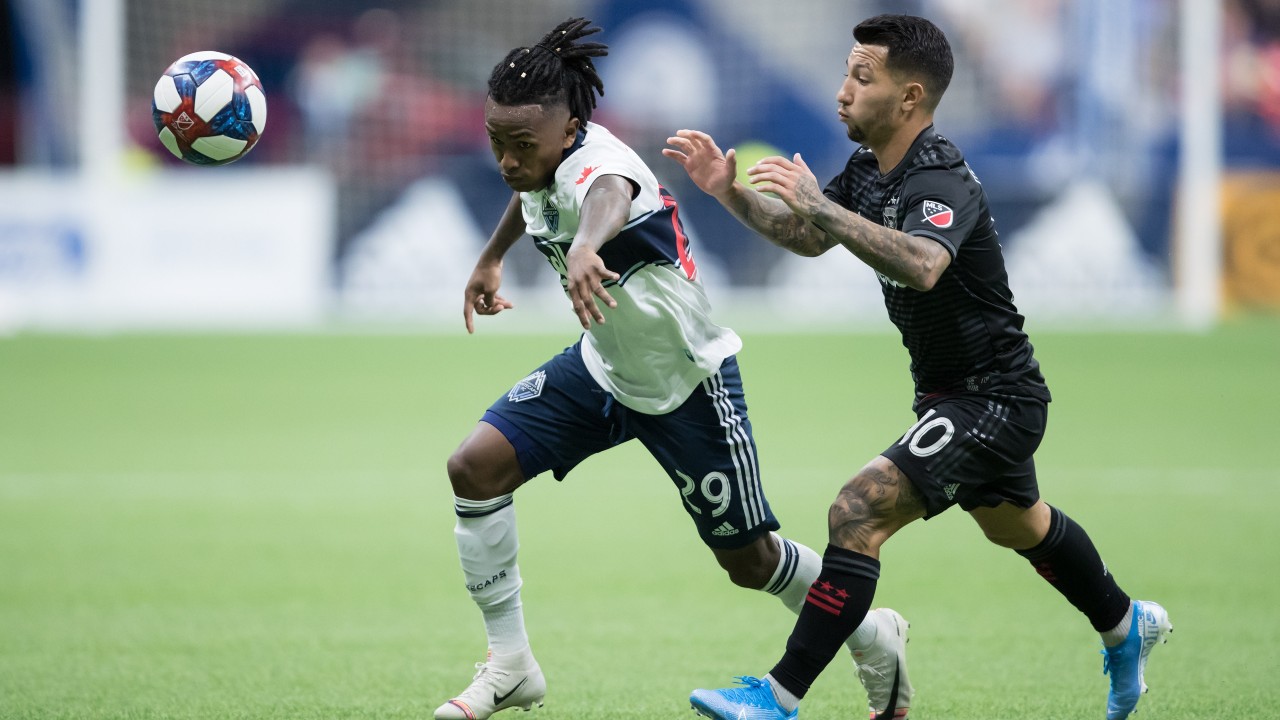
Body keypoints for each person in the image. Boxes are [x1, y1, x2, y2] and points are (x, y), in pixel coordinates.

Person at [663, 13, 1171, 720]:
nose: (842, 91)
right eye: (845, 72)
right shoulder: (870, 169)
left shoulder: (940, 177)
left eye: (860, 77)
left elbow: (925, 265)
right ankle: (1126, 625)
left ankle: (775, 698)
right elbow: (808, 237)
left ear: (909, 97)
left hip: (995, 397)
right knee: (1015, 524)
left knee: (856, 510)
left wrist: (822, 209)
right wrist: (730, 192)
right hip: (948, 395)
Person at [435, 17, 907, 720]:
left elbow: (606, 197)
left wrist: (590, 247)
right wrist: (493, 255)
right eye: (495, 142)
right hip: (603, 369)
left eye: (520, 145)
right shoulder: (539, 158)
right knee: (473, 467)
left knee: (750, 562)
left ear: (569, 133)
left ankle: (872, 632)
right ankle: (511, 666)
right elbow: (531, 187)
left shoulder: (604, 166)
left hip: (689, 382)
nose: (505, 160)